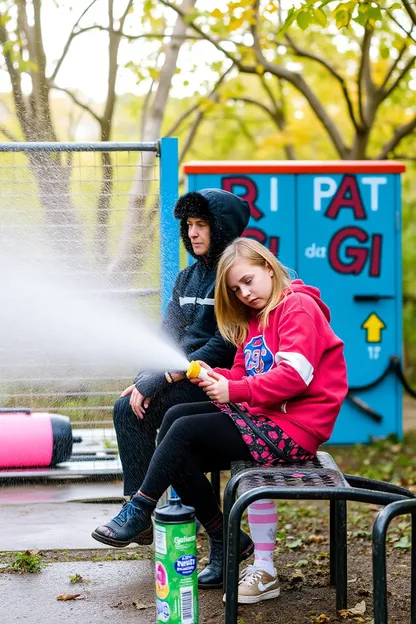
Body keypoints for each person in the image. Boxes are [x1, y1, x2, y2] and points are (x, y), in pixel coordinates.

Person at [92, 238, 348, 600]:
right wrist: (215, 377)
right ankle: (225, 539)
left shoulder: (298, 307)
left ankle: (141, 507)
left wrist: (235, 392)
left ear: (268, 267)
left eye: (248, 280)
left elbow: (296, 376)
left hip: (296, 427)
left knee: (184, 428)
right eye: (235, 289)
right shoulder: (254, 321)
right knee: (176, 423)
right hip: (266, 419)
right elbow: (242, 372)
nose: (244, 293)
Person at [112, 188, 250, 535]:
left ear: (221, 227)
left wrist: (160, 380)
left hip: (215, 383)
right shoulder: (186, 278)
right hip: (178, 377)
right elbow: (165, 338)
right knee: (126, 406)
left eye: (201, 224)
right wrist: (146, 376)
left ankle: (150, 513)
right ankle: (137, 508)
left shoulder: (233, 277)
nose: (192, 233)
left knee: (170, 433)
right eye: (188, 225)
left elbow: (222, 347)